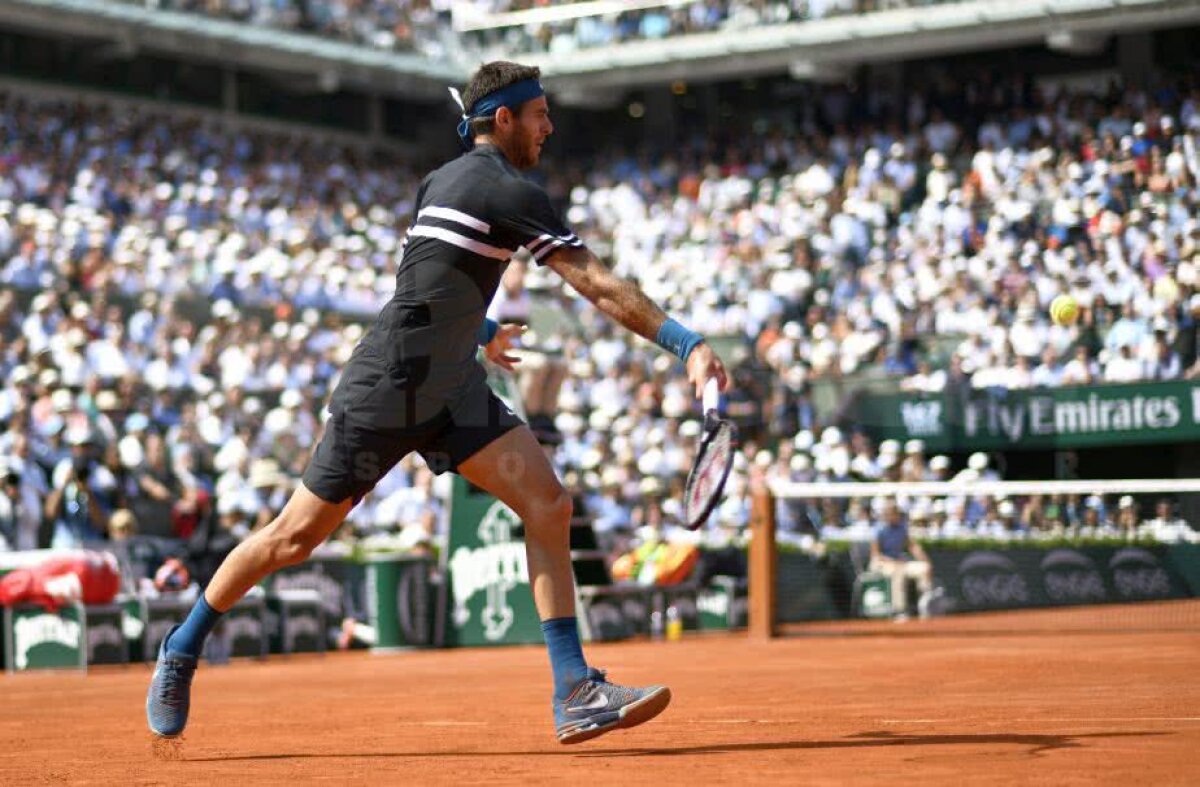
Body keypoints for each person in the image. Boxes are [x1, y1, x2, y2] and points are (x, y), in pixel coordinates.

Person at [146, 60, 729, 745]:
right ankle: (181, 647)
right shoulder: (506, 188)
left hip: (451, 387)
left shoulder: (446, 182)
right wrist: (686, 343)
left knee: (548, 503)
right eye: (540, 113)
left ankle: (573, 688)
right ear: (504, 119)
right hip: (388, 387)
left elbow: (426, 281)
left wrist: (480, 332)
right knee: (293, 537)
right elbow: (595, 284)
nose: (550, 125)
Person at [868, 499, 934, 622]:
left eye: (898, 514)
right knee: (898, 572)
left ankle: (925, 600)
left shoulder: (902, 528)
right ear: (887, 515)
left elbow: (912, 546)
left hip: (899, 562)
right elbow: (876, 554)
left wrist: (924, 559)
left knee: (924, 568)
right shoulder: (878, 530)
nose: (897, 516)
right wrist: (892, 562)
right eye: (894, 514)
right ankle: (899, 610)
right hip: (881, 563)